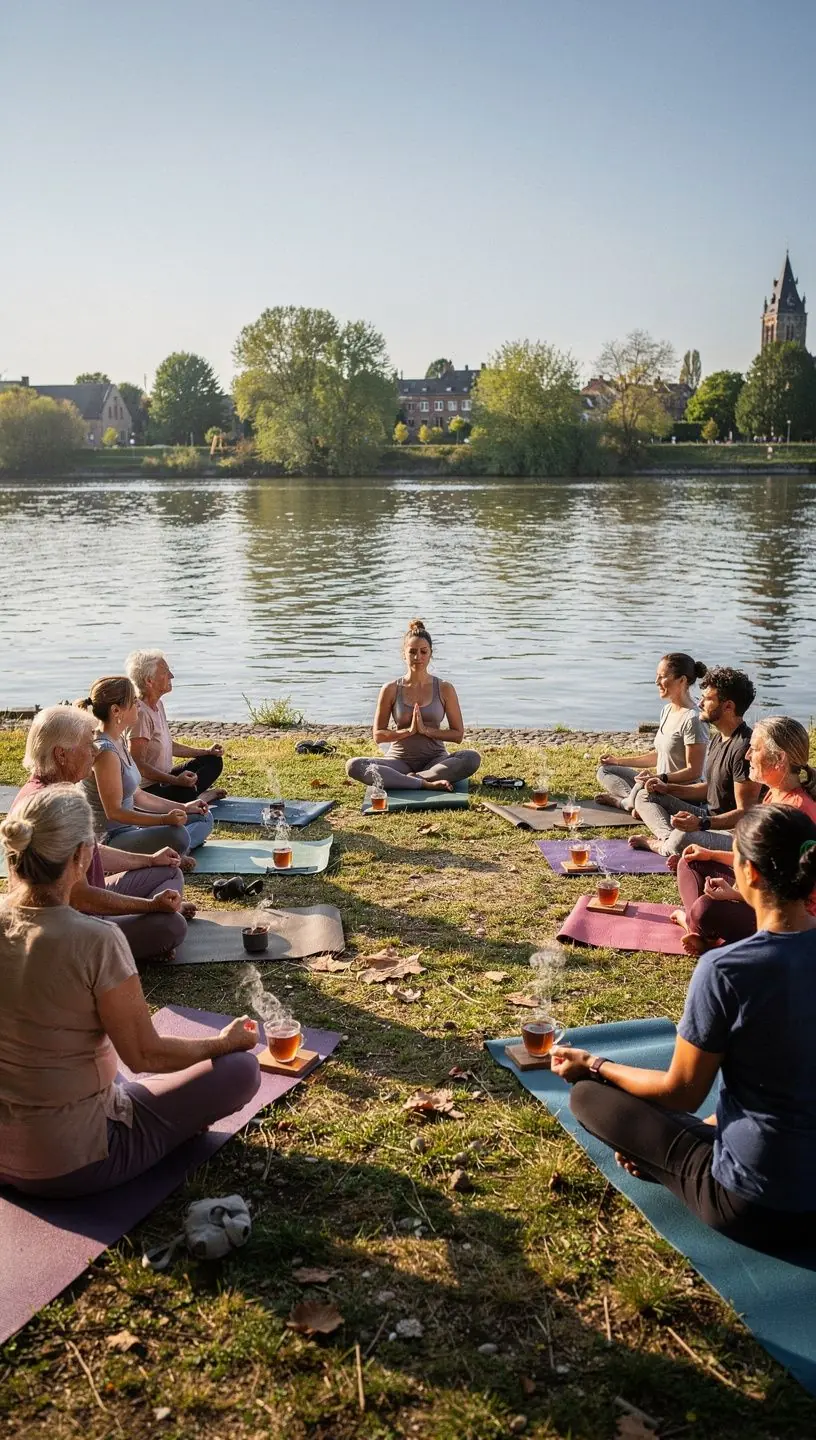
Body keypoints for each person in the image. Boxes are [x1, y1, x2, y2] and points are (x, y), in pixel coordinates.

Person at [551, 805, 816, 1247]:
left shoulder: (726, 969)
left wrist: (595, 1064)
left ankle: (662, 1162)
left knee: (587, 1097)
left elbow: (682, 1092)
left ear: (747, 873)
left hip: (754, 1202)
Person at [0, 787, 260, 1198]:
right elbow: (145, 1056)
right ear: (82, 856)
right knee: (240, 1070)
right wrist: (222, 1043)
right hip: (71, 1161)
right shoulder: (96, 940)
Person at [13, 705, 191, 963]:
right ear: (61, 754)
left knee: (169, 870)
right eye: (88, 745)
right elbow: (79, 897)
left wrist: (150, 860)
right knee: (171, 927)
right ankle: (141, 936)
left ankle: (146, 926)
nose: (95, 751)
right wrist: (151, 906)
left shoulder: (58, 791)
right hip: (71, 928)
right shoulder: (51, 807)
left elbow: (94, 852)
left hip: (88, 905)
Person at [674, 717, 816, 955]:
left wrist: (736, 895)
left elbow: (790, 890)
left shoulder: (796, 812)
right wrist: (711, 854)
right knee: (690, 862)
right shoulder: (775, 794)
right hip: (760, 887)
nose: (747, 755)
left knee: (705, 908)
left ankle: (694, 924)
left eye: (755, 748)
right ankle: (700, 930)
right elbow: (758, 859)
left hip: (789, 915)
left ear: (779, 758)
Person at [628, 667, 762, 858]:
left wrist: (701, 823)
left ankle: (661, 844)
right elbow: (711, 788)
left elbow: (745, 813)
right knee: (645, 795)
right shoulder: (719, 739)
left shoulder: (744, 749)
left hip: (733, 833)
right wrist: (667, 788)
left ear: (728, 707)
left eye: (707, 699)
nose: (699, 703)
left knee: (683, 836)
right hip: (708, 816)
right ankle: (668, 840)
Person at [78, 677, 213, 855]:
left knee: (204, 817)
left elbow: (139, 796)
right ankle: (173, 851)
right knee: (179, 835)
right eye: (134, 702)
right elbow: (114, 813)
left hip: (131, 829)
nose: (139, 706)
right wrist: (164, 820)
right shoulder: (106, 753)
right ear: (116, 710)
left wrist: (185, 807)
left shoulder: (118, 741)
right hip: (109, 839)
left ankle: (174, 852)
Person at [345, 618, 481, 791]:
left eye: (423, 652)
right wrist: (407, 732)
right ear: (404, 654)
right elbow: (378, 735)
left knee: (471, 758)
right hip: (398, 761)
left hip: (436, 760)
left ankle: (412, 779)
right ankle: (424, 784)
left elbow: (458, 735)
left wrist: (426, 731)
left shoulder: (445, 688)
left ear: (431, 653)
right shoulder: (390, 689)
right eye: (412, 652)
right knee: (354, 765)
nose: (418, 657)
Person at [596, 653, 708, 812]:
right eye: (657, 676)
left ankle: (627, 802)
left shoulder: (693, 719)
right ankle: (633, 800)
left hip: (680, 793)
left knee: (644, 793)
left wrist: (660, 778)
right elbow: (661, 755)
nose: (656, 682)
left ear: (682, 680)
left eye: (662, 677)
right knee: (605, 770)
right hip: (657, 784)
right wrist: (619, 761)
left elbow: (694, 771)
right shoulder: (667, 710)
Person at [126, 650, 226, 803]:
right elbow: (138, 765)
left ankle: (193, 796)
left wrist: (205, 752)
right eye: (165, 672)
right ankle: (199, 798)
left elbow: (169, 746)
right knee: (186, 791)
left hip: (164, 780)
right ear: (149, 681)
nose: (171, 676)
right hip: (147, 792)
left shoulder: (158, 704)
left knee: (212, 761)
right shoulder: (140, 714)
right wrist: (175, 781)